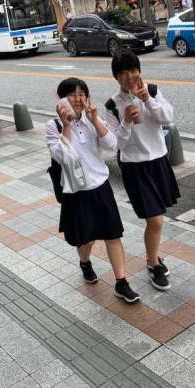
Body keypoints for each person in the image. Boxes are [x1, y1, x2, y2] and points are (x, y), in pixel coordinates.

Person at [46, 78, 140, 304]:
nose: (77, 99)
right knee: (85, 241)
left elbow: (112, 145)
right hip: (76, 192)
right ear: (61, 100)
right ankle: (85, 262)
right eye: (72, 94)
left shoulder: (92, 119)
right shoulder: (53, 126)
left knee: (113, 235)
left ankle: (121, 283)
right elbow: (61, 157)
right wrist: (67, 125)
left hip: (101, 186)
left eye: (82, 94)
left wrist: (95, 119)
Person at [105, 50, 180, 291]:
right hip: (135, 167)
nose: (129, 76)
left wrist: (147, 99)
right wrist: (126, 121)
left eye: (133, 70)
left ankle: (153, 256)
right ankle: (153, 263)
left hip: (158, 161)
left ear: (139, 70)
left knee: (157, 218)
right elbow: (116, 144)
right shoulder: (112, 105)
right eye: (123, 72)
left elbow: (168, 118)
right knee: (155, 219)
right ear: (116, 77)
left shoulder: (152, 91)